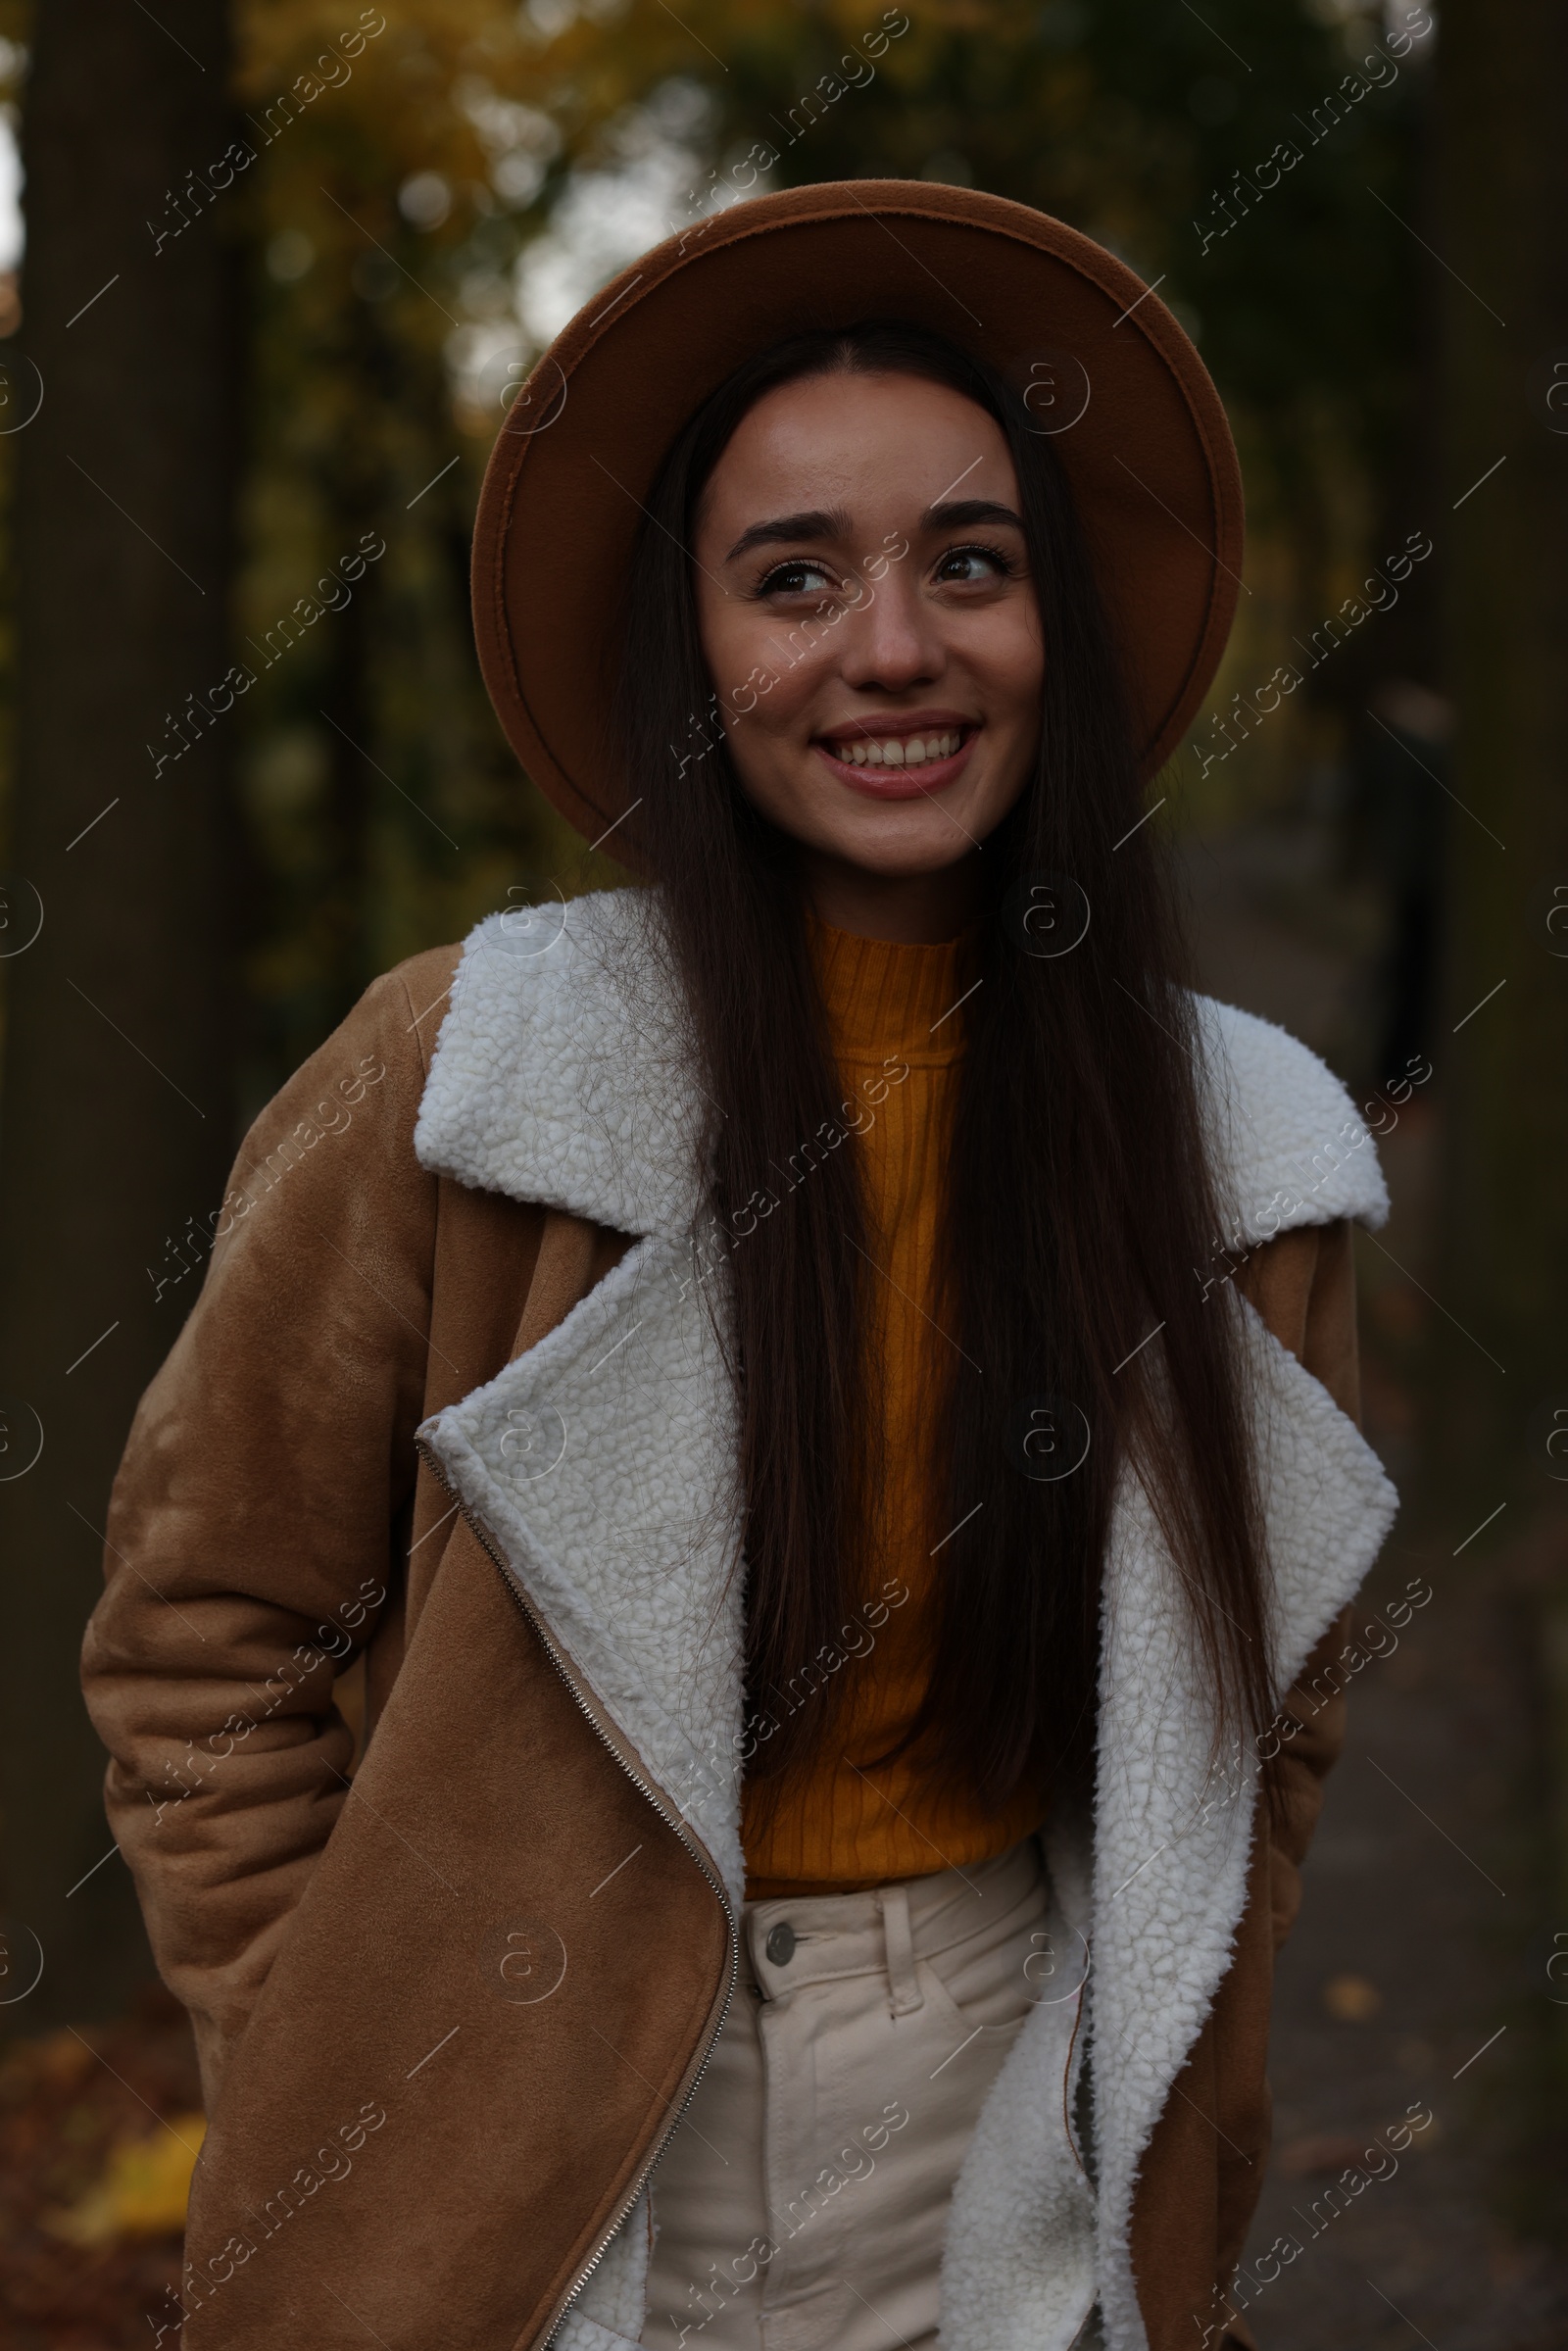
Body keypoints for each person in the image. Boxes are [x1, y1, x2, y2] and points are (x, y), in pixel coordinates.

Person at [83, 182, 1397, 2351]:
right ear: (690, 652)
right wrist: (326, 2035)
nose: (890, 650)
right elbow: (201, 1629)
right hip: (522, 2116)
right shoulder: (461, 1079)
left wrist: (1173, 2045)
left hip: (1010, 2118)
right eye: (791, 580)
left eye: (965, 566)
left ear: (1045, 621)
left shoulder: (1235, 1150)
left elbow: (1281, 1697)